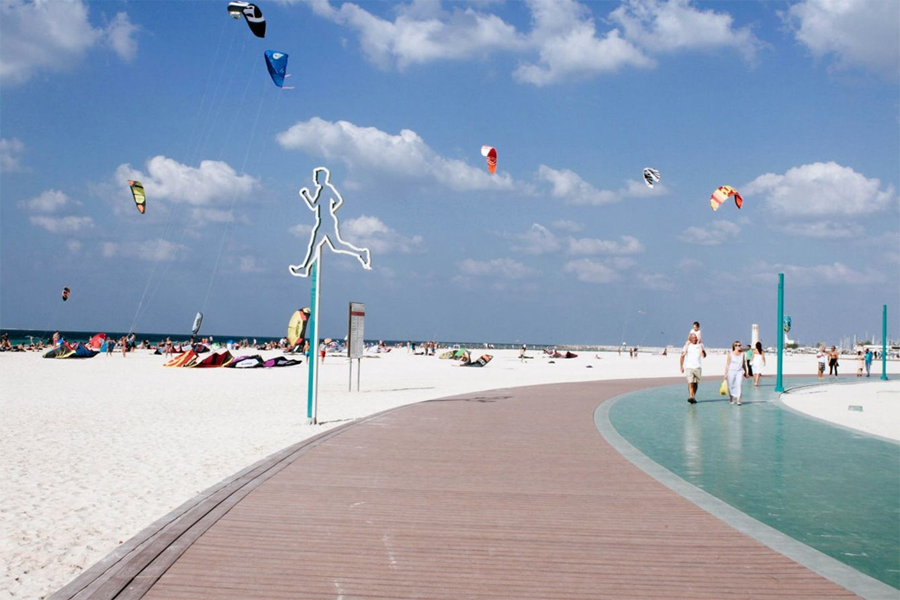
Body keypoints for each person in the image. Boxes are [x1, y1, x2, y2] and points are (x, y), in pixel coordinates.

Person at [679, 332, 706, 404]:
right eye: (693, 338)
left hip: (698, 367)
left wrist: (703, 352)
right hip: (689, 367)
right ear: (690, 339)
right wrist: (681, 366)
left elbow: (704, 355)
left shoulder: (700, 345)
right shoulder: (686, 346)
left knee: (695, 383)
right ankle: (691, 396)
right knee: (690, 382)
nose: (695, 339)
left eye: (696, 337)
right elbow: (682, 356)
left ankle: (694, 396)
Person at [724, 340, 748, 405]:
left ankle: (738, 400)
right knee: (731, 385)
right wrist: (725, 373)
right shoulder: (730, 354)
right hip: (731, 371)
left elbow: (743, 364)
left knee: (739, 384)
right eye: (738, 345)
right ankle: (731, 399)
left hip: (739, 371)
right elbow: (727, 364)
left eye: (740, 345)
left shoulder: (742, 354)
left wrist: (746, 372)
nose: (740, 346)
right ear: (735, 346)